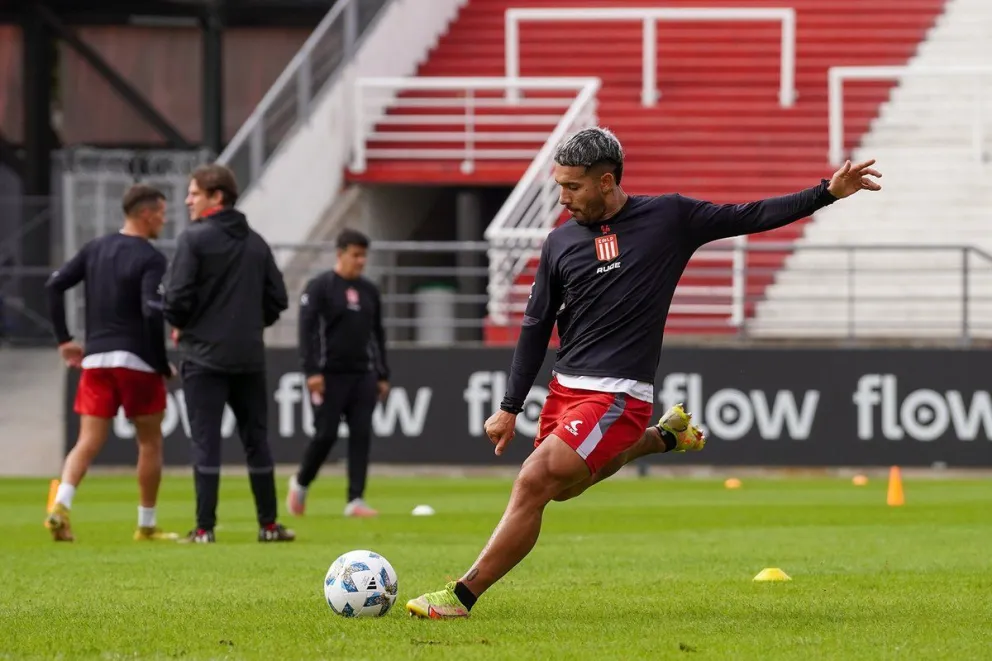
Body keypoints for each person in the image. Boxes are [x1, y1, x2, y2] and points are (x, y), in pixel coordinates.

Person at [406, 127, 883, 618]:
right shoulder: (558, 243)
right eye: (559, 185)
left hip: (617, 396)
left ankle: (461, 596)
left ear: (606, 182)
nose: (562, 198)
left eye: (572, 187)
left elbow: (750, 215)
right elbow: (534, 326)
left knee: (533, 481)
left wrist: (826, 193)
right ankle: (663, 438)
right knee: (563, 490)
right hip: (565, 391)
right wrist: (510, 408)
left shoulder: (669, 217)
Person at [162, 163, 294, 544]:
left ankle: (204, 528)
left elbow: (176, 297)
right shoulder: (255, 242)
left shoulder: (194, 239)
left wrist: (183, 322)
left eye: (194, 193)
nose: (187, 200)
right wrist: (248, 324)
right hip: (249, 355)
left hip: (203, 357)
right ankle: (269, 525)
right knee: (257, 439)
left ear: (216, 196)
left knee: (205, 440)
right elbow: (278, 300)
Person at [44, 183, 178, 543]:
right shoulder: (151, 257)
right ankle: (146, 524)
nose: (164, 221)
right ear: (146, 213)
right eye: (162, 214)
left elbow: (54, 286)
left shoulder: (94, 248)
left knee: (87, 441)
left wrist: (64, 340)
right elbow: (151, 312)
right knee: (149, 442)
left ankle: (60, 506)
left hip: (96, 358)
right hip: (136, 359)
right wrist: (162, 363)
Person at [286, 228, 390, 518]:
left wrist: (382, 373)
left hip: (363, 374)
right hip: (329, 375)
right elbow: (307, 333)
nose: (360, 261)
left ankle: (355, 500)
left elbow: (377, 335)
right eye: (355, 255)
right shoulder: (320, 287)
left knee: (361, 434)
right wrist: (312, 371)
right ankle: (301, 482)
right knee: (326, 434)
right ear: (340, 254)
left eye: (363, 256)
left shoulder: (369, 291)